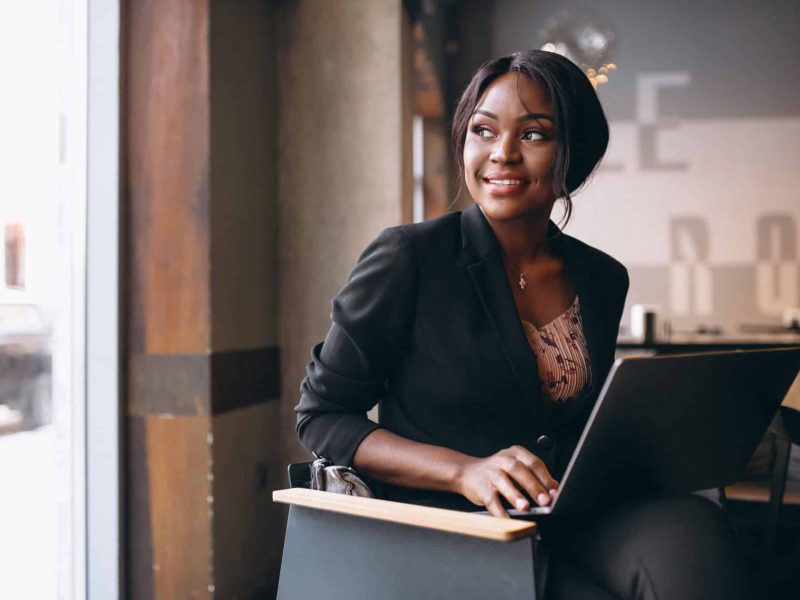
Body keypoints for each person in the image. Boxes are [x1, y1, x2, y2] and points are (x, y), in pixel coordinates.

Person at [295, 50, 751, 600]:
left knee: (693, 534)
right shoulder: (408, 259)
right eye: (483, 131)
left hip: (568, 506)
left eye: (533, 135)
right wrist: (465, 471)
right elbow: (322, 417)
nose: (502, 154)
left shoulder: (601, 277)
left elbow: (576, 424)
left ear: (571, 153)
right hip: (453, 520)